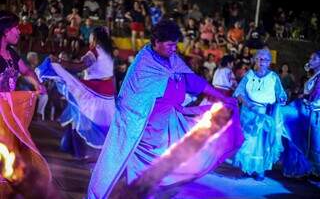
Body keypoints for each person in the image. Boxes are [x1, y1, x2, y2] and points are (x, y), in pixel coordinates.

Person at [88, 19, 244, 198]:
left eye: (176, 44)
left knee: (168, 171)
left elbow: (191, 81)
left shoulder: (172, 59)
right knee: (137, 177)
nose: (174, 48)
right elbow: (129, 100)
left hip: (167, 128)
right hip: (142, 132)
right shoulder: (143, 64)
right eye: (170, 45)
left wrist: (221, 97)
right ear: (156, 43)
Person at [0, 10, 57, 198]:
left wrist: (37, 84)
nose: (19, 32)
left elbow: (26, 71)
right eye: (15, 29)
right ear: (5, 31)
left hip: (9, 111)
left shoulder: (11, 54)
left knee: (11, 149)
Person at [38, 26, 115, 159]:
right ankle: (72, 148)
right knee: (90, 120)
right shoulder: (109, 53)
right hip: (106, 94)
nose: (89, 39)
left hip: (94, 92)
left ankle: (80, 153)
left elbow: (79, 66)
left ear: (95, 38)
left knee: (81, 119)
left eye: (91, 36)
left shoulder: (95, 52)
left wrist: (59, 62)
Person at [233, 49, 287, 180]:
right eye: (259, 59)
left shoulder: (274, 77)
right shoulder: (249, 75)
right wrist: (249, 105)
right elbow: (238, 93)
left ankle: (260, 170)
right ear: (255, 60)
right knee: (248, 141)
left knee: (262, 143)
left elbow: (281, 94)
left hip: (265, 114)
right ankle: (246, 167)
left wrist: (282, 99)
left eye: (265, 59)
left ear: (269, 62)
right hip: (248, 113)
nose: (262, 62)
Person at [281, 51, 320, 178]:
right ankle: (301, 167)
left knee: (308, 141)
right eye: (310, 58)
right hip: (307, 109)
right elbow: (310, 91)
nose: (311, 60)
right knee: (295, 136)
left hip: (313, 112)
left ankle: (309, 168)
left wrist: (312, 103)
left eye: (314, 58)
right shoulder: (315, 75)